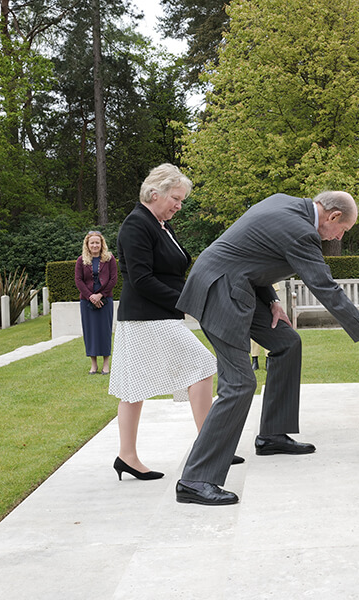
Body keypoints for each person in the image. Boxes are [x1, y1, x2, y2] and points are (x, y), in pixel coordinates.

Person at [174, 191, 359, 505]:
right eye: (343, 231)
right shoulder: (301, 233)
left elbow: (252, 250)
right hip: (220, 292)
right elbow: (328, 291)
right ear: (333, 216)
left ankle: (272, 434)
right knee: (240, 383)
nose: (338, 237)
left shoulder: (284, 203)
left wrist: (272, 300)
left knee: (287, 341)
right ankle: (195, 479)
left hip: (237, 284)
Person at [107, 163, 226, 482]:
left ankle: (127, 457)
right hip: (145, 317)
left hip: (158, 315)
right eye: (176, 198)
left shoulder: (160, 224)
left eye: (182, 200)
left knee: (133, 388)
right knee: (201, 366)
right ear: (154, 193)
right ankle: (207, 444)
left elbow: (172, 270)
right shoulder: (136, 225)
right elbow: (142, 279)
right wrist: (187, 303)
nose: (179, 205)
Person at [75, 231, 118, 375]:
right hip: (87, 301)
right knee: (90, 332)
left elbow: (113, 279)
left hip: (105, 300)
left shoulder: (109, 259)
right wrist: (90, 296)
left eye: (97, 243)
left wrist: (100, 295)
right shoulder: (81, 260)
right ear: (87, 244)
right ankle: (93, 365)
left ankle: (106, 365)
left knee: (104, 331)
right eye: (92, 243)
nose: (95, 245)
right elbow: (78, 280)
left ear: (101, 244)